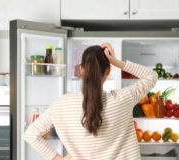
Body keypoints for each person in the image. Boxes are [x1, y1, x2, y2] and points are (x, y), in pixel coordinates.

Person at [24, 42, 158, 160]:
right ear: (108, 70)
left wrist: (57, 158)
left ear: (82, 69)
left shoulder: (62, 104)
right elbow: (151, 76)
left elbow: (30, 134)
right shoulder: (123, 99)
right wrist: (116, 61)